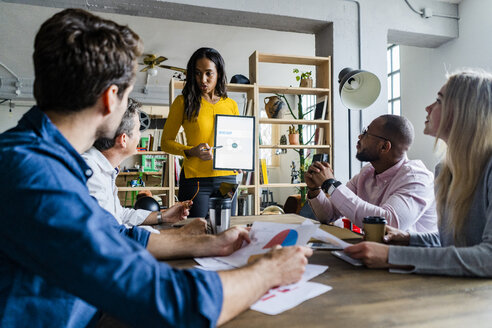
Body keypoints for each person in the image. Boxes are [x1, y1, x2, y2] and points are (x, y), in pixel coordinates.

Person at [0, 8, 312, 327]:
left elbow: (112, 237)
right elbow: (165, 300)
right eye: (128, 95)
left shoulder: (41, 158)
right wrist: (267, 271)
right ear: (110, 99)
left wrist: (208, 242)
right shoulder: (35, 175)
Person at [344, 70, 492, 277]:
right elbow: (451, 242)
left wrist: (391, 256)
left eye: (438, 101)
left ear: (464, 111)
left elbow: (488, 259)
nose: (428, 107)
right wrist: (408, 239)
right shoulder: (445, 170)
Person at [82, 97, 205, 235]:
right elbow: (110, 235)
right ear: (123, 139)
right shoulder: (90, 173)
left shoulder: (104, 168)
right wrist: (181, 235)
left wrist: (162, 216)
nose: (140, 136)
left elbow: (119, 215)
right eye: (138, 130)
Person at [305, 114, 437, 233]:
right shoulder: (367, 173)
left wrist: (331, 184)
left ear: (384, 147)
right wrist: (314, 189)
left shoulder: (417, 178)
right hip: (377, 253)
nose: (359, 137)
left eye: (366, 133)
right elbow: (330, 215)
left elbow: (388, 224)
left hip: (409, 258)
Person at [161, 47, 239, 218]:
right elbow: (165, 142)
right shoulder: (182, 102)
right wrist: (191, 151)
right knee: (196, 232)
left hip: (227, 180)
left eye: (208, 73)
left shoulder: (231, 105)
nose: (202, 79)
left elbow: (234, 142)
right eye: (197, 73)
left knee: (225, 231)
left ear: (218, 73)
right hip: (196, 181)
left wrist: (239, 159)